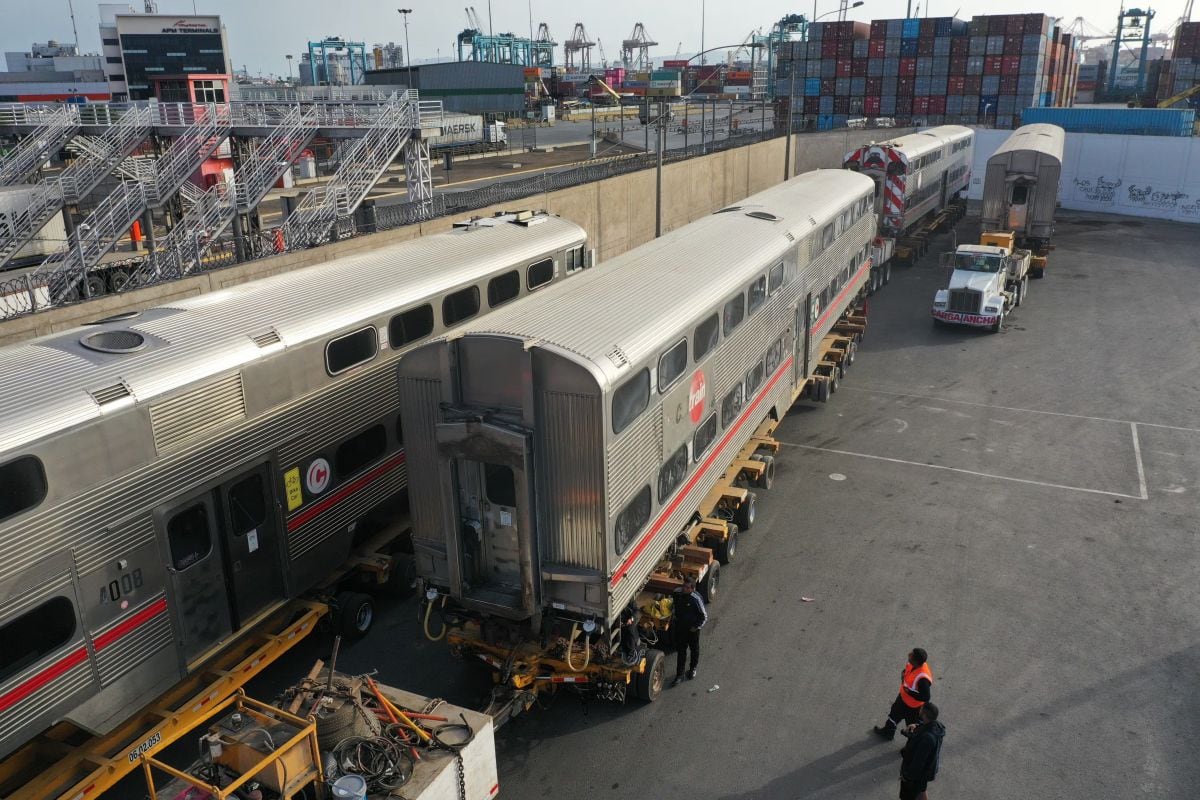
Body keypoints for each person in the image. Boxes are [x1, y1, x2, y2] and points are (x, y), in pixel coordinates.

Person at [874, 648, 933, 740]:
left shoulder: (923, 679)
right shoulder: (913, 664)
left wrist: (910, 692)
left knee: (912, 727)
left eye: (911, 655)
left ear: (916, 661)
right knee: (893, 715)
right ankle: (888, 732)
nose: (908, 654)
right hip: (903, 699)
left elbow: (926, 697)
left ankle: (912, 746)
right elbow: (908, 671)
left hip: (913, 707)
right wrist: (904, 673)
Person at [898, 702, 945, 800]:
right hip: (927, 770)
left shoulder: (927, 739)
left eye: (921, 709)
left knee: (907, 796)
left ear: (924, 714)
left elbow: (918, 762)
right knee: (921, 790)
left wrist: (907, 777)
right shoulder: (936, 726)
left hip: (917, 775)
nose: (919, 709)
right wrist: (916, 726)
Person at [670, 576, 707, 687]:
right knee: (681, 651)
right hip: (681, 628)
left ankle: (692, 669)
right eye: (683, 586)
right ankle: (679, 675)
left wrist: (696, 627)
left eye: (687, 587)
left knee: (694, 649)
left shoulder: (696, 598)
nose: (684, 589)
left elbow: (704, 616)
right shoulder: (677, 593)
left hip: (692, 630)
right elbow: (673, 605)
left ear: (692, 589)